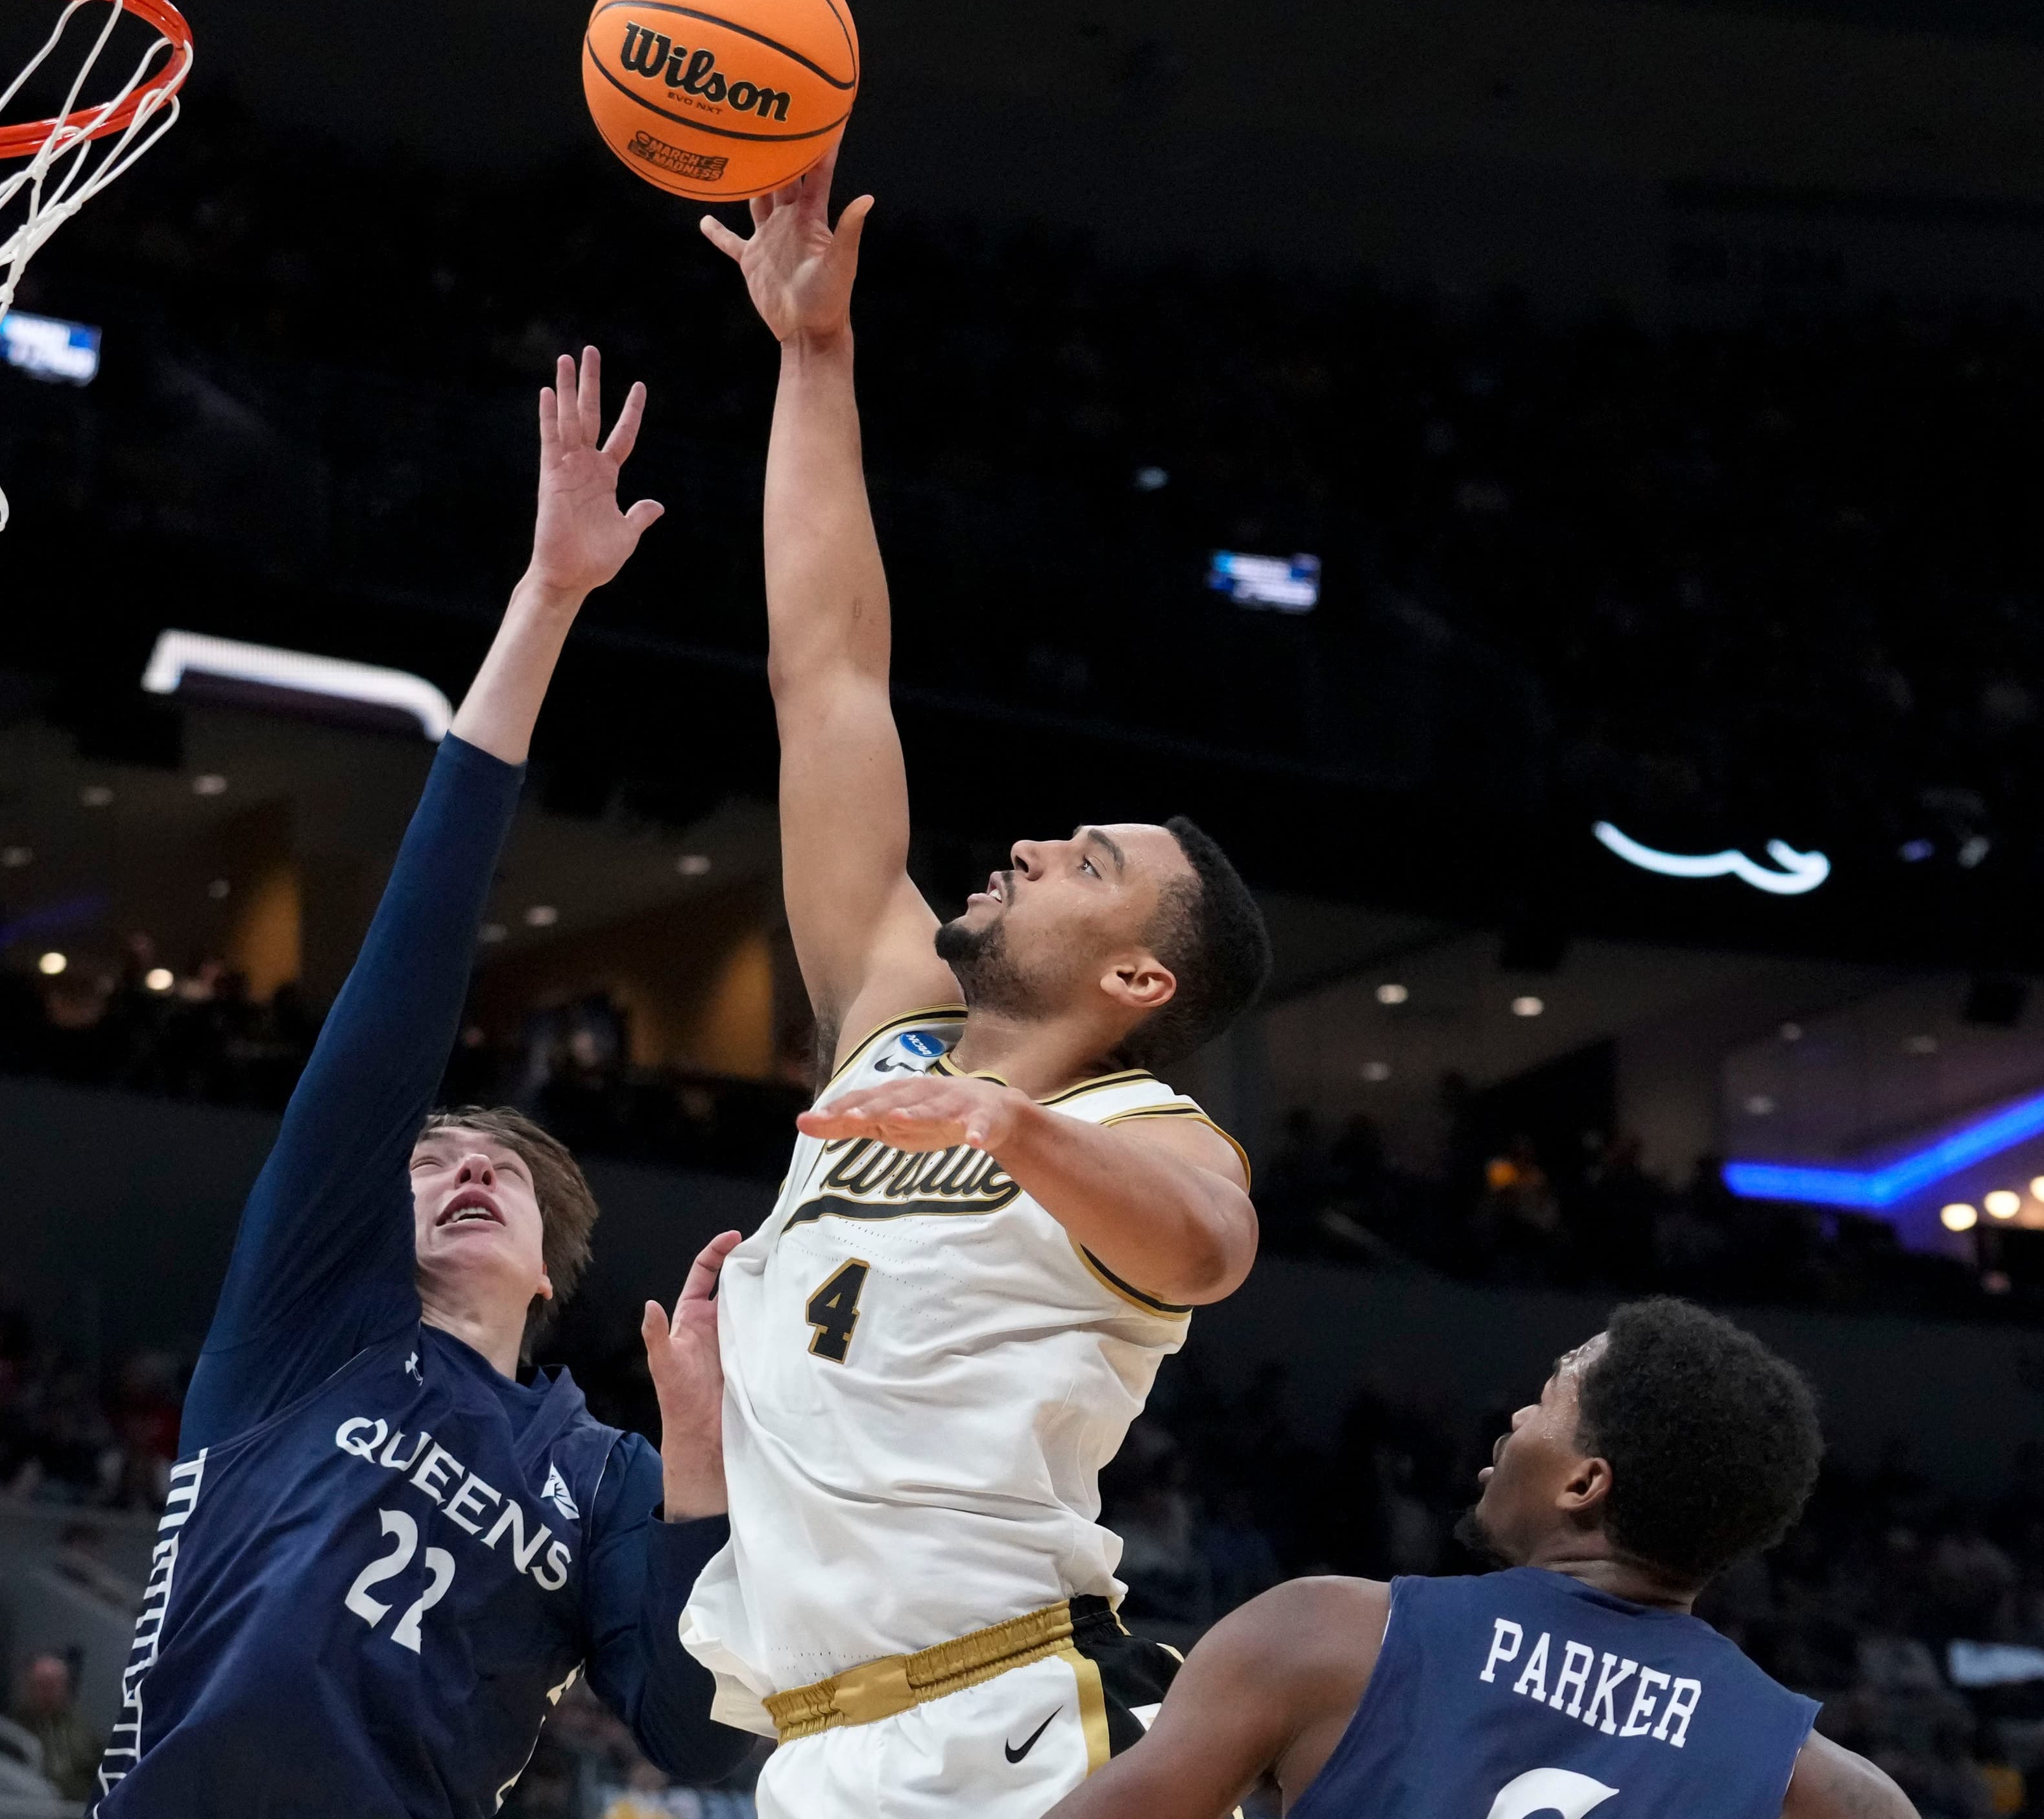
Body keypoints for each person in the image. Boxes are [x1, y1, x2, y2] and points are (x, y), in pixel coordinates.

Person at [684, 147, 1272, 1817]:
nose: (1026, 847)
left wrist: (1010, 1132)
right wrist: (811, 357)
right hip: (816, 1737)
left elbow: (1212, 1248)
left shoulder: (1146, 1124)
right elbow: (828, 671)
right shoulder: (892, 1007)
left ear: (1142, 969)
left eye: (1087, 861)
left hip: (1010, 1720)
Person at [95, 349, 751, 1816]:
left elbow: (698, 1735)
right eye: (430, 1154)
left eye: (499, 1165)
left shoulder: (598, 1470)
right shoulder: (311, 1316)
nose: (462, 1164)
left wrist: (699, 1444)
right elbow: (406, 972)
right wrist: (548, 597)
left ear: (546, 1259)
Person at [1040, 1299, 1916, 1819]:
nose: (1513, 1423)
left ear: (1585, 1485)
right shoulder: (1831, 1793)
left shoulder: (1323, 1635)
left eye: (1541, 1405)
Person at [13, 1652, 101, 1800]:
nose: (48, 1693)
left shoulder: (83, 1731)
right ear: (29, 1687)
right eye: (42, 1685)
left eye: (54, 1685)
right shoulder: (13, 1731)